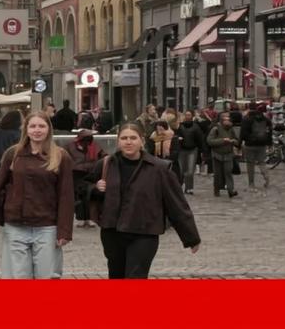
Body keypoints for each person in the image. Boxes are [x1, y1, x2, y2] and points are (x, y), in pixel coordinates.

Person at [88, 123, 201, 279]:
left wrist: (191, 237)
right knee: (116, 276)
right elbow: (82, 188)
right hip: (112, 232)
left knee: (136, 276)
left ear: (141, 140)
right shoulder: (106, 164)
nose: (128, 142)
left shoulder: (159, 168)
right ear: (118, 141)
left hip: (144, 232)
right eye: (124, 138)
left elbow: (176, 203)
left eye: (133, 138)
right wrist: (94, 188)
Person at [0, 111, 75, 279]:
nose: (37, 130)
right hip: (16, 225)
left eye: (41, 126)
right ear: (26, 129)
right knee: (17, 276)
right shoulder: (13, 154)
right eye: (32, 126)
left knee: (47, 276)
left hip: (47, 226)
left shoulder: (61, 156)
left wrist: (64, 230)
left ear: (49, 129)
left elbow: (66, 195)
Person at [64, 129, 107, 228]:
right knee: (79, 197)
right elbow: (64, 158)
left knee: (90, 196)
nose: (87, 142)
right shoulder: (70, 146)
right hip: (76, 174)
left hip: (90, 174)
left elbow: (103, 155)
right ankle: (81, 218)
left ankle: (90, 218)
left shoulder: (94, 146)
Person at [239, 102, 272, 191]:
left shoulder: (247, 119)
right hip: (262, 144)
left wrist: (239, 144)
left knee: (250, 164)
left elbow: (243, 133)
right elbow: (269, 131)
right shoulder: (265, 119)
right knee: (262, 162)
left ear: (249, 108)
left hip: (250, 145)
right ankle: (266, 176)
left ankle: (251, 184)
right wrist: (269, 143)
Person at [207, 112, 239, 198]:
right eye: (225, 119)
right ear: (221, 120)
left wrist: (233, 141)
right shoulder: (215, 129)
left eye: (228, 119)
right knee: (217, 174)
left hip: (228, 154)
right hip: (217, 154)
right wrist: (222, 140)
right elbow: (210, 141)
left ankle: (230, 190)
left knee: (228, 172)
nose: (227, 121)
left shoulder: (231, 129)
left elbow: (237, 141)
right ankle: (216, 189)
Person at [176, 111, 206, 195]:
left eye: (189, 115)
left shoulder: (196, 127)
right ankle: (183, 186)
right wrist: (178, 138)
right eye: (186, 115)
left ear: (192, 116)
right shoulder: (180, 126)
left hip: (192, 150)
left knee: (190, 171)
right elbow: (176, 136)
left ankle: (190, 188)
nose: (187, 116)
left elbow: (200, 139)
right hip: (182, 150)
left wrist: (203, 151)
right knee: (182, 171)